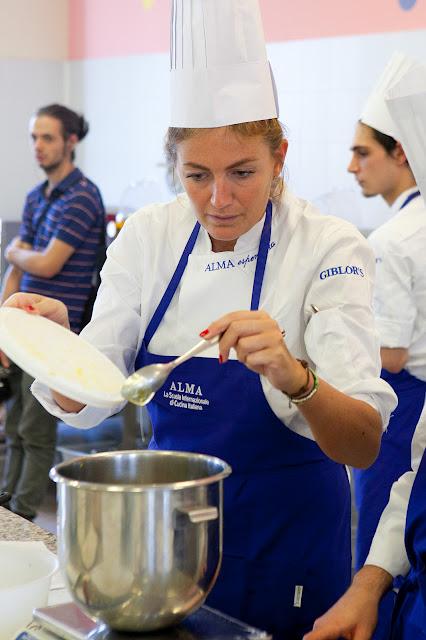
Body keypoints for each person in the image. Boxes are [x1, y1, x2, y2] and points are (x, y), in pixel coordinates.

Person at [2, 3, 396, 638]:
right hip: (165, 556)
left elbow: (363, 442)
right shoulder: (149, 236)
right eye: (196, 175)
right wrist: (48, 345)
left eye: (243, 173)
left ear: (280, 156)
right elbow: (95, 389)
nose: (219, 199)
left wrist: (296, 377)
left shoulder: (329, 246)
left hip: (288, 552)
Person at [303, 57, 426, 640]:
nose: (350, 167)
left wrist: (326, 355)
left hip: (402, 404)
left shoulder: (396, 238)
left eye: (363, 152)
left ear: (402, 151)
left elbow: (393, 355)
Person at [0, 103, 105, 521]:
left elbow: (47, 264)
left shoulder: (82, 197)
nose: (38, 147)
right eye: (34, 138)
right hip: (22, 326)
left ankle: (21, 515)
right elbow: (19, 268)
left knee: (35, 428)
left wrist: (14, 250)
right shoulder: (36, 196)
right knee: (14, 427)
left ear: (71, 142)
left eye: (47, 138)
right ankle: (8, 503)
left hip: (56, 331)